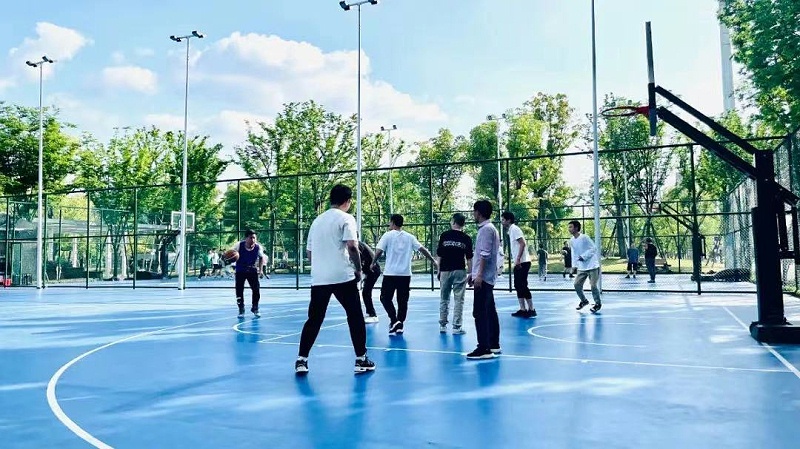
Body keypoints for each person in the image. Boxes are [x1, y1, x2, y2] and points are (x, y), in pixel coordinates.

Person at [295, 184, 375, 375]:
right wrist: (358, 269)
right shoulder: (346, 218)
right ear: (347, 201)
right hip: (342, 276)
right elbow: (352, 246)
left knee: (314, 319)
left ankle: (301, 360)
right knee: (355, 316)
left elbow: (309, 253)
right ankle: (361, 359)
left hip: (319, 278)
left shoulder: (317, 221)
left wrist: (321, 268)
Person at [373, 214, 438, 335]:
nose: (389, 224)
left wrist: (373, 262)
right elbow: (422, 249)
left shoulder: (387, 235)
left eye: (389, 222)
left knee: (384, 298)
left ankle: (394, 320)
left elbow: (379, 251)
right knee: (402, 301)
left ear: (393, 222)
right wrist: (433, 260)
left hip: (390, 274)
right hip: (405, 274)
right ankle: (399, 324)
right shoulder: (410, 237)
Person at [467, 200, 502, 360]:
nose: (473, 214)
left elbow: (485, 254)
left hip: (484, 278)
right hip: (486, 276)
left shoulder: (486, 229)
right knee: (490, 311)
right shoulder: (489, 228)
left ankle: (484, 348)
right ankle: (493, 344)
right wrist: (473, 274)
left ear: (479, 213)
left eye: (474, 211)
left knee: (479, 312)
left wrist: (479, 275)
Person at [436, 213, 473, 334]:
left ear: (453, 222)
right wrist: (471, 273)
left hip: (445, 270)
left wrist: (438, 269)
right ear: (463, 224)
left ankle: (442, 325)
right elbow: (469, 258)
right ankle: (456, 327)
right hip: (459, 270)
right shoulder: (466, 238)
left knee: (444, 298)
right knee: (459, 299)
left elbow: (439, 255)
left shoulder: (444, 235)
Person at [500, 212, 535, 318]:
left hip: (523, 262)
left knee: (522, 285)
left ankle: (531, 309)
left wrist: (518, 258)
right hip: (519, 262)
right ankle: (523, 309)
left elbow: (523, 243)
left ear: (509, 220)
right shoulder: (510, 231)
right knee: (518, 285)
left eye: (503, 220)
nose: (502, 222)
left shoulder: (515, 229)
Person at [568, 220, 602, 313]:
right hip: (582, 267)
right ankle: (584, 301)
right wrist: (574, 266)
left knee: (593, 285)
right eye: (569, 227)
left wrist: (584, 256)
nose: (569, 229)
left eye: (571, 227)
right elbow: (574, 254)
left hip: (593, 266)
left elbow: (594, 248)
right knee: (576, 285)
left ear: (576, 228)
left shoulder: (584, 237)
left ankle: (597, 304)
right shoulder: (571, 240)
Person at [232, 230, 266, 319]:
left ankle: (255, 308)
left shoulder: (258, 247)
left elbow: (261, 258)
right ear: (246, 238)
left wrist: (260, 270)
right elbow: (231, 254)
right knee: (239, 291)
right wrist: (229, 258)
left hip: (252, 270)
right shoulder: (239, 245)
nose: (253, 240)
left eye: (254, 238)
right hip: (240, 270)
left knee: (256, 290)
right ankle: (241, 309)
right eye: (251, 238)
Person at [358, 240, 381, 323]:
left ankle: (372, 314)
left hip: (373, 270)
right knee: (366, 292)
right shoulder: (360, 244)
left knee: (366, 292)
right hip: (371, 270)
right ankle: (370, 313)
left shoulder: (358, 245)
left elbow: (360, 260)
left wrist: (360, 272)